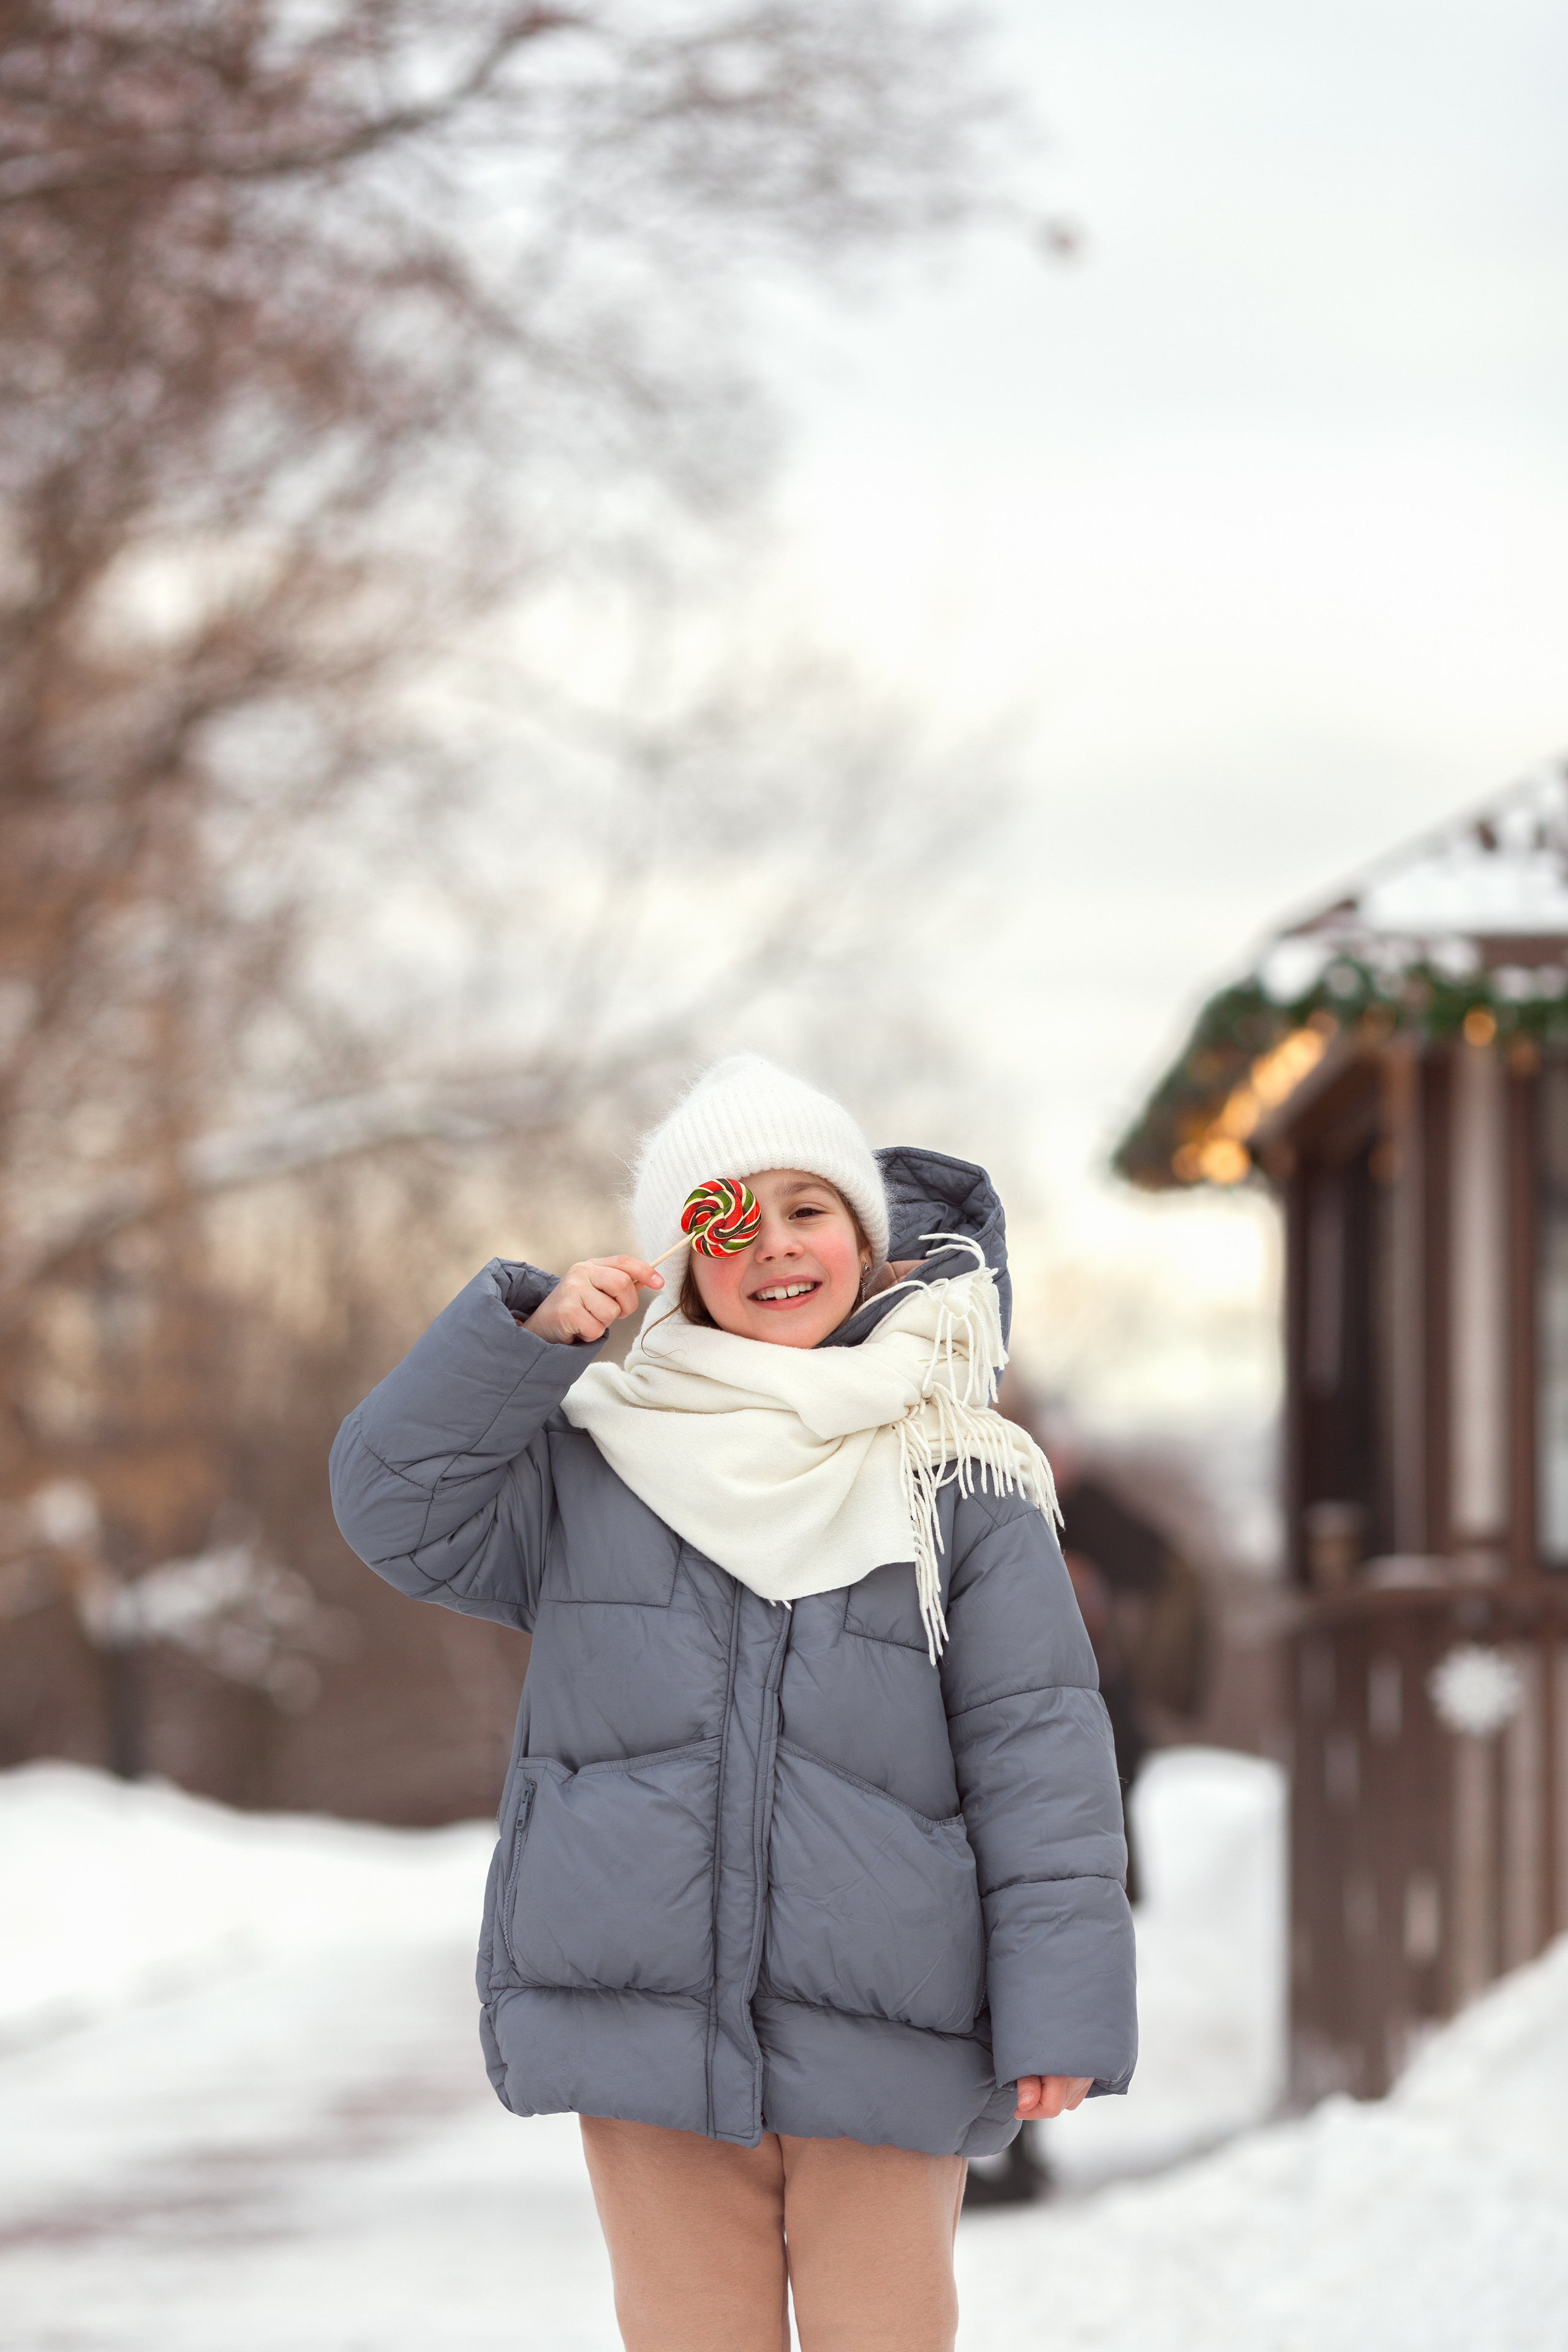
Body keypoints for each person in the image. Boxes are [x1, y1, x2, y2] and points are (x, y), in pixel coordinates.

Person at [330, 1055, 1136, 2352]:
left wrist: (1059, 2008)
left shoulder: (962, 1473)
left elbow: (1036, 1750)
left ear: (866, 1242)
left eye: (808, 1209)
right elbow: (393, 1510)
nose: (772, 1245)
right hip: (645, 2025)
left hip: (895, 2021)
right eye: (725, 1219)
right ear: (681, 1260)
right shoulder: (594, 1460)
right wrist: (518, 1346)